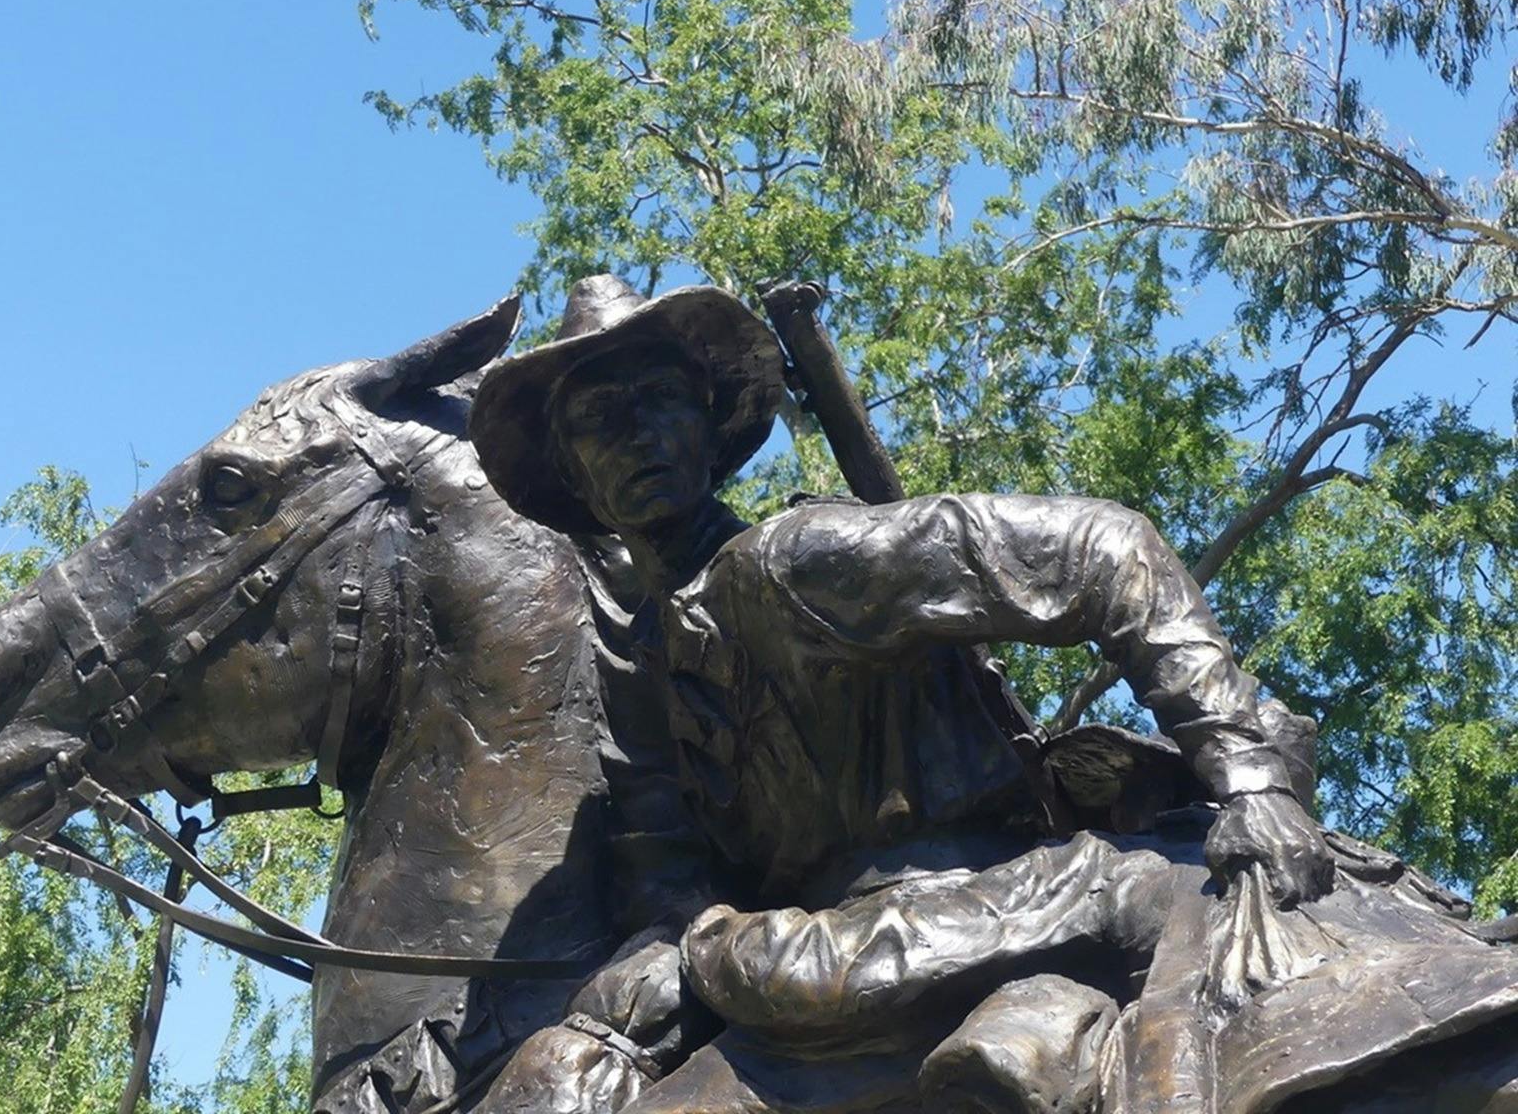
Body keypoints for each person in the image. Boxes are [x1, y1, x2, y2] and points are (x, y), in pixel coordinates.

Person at [466, 274, 1335, 1054]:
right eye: (596, 419)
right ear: (575, 476)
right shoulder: (642, 662)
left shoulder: (799, 560)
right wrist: (682, 941)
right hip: (796, 956)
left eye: (658, 397)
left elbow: (1105, 546)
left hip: (989, 901)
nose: (635, 434)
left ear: (708, 421)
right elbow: (664, 867)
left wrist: (1248, 775)